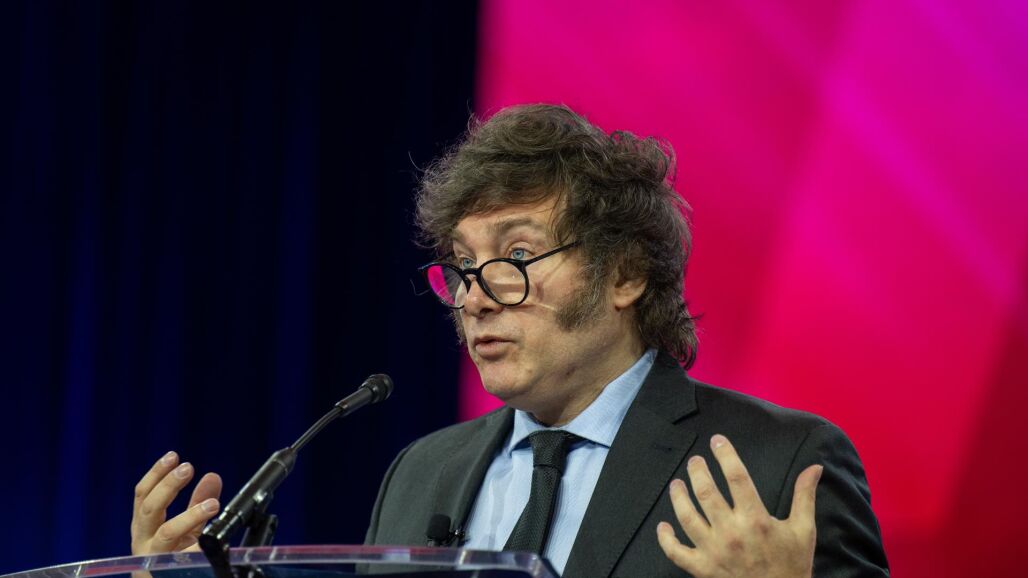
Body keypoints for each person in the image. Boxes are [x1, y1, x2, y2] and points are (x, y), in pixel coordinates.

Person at [131, 104, 889, 577]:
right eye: (462, 266)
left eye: (517, 256)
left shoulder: (776, 462)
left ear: (624, 273)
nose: (475, 295)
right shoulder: (422, 474)